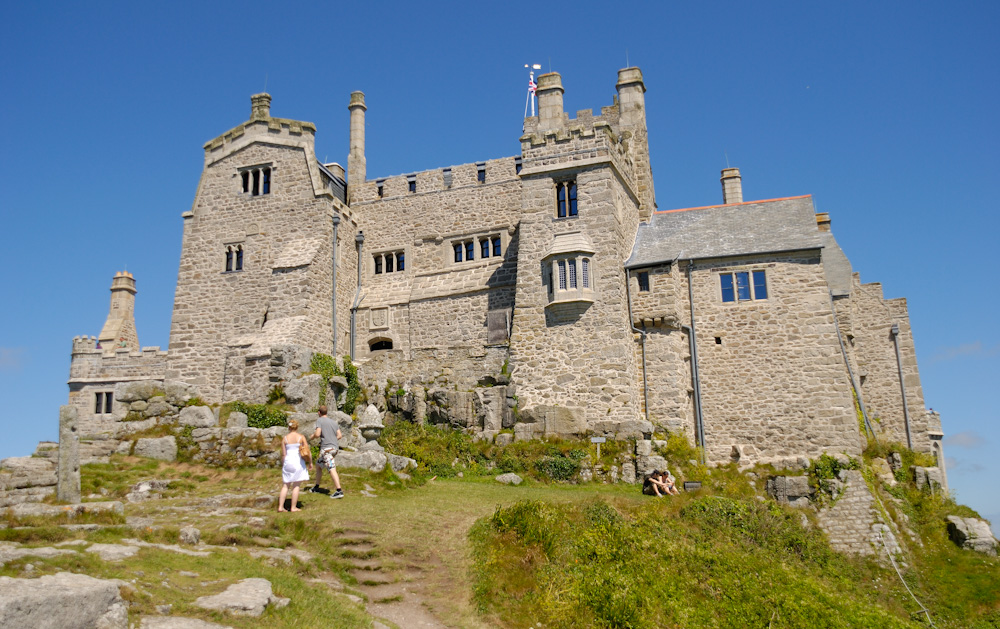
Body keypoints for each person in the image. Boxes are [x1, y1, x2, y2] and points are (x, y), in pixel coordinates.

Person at [308, 405, 344, 499]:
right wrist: (332, 439)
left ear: (319, 413)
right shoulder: (333, 422)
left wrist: (312, 436)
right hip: (335, 448)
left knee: (331, 468)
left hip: (327, 449)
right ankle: (316, 487)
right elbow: (339, 435)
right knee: (319, 465)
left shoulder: (319, 420)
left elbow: (318, 433)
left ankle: (339, 490)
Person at [278, 419, 311, 512]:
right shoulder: (301, 437)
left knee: (285, 485)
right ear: (297, 427)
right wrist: (310, 462)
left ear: (289, 427)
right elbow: (307, 450)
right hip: (297, 462)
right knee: (296, 485)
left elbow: (284, 454)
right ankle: (293, 507)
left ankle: (280, 506)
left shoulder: (284, 438)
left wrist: (283, 464)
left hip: (288, 461)